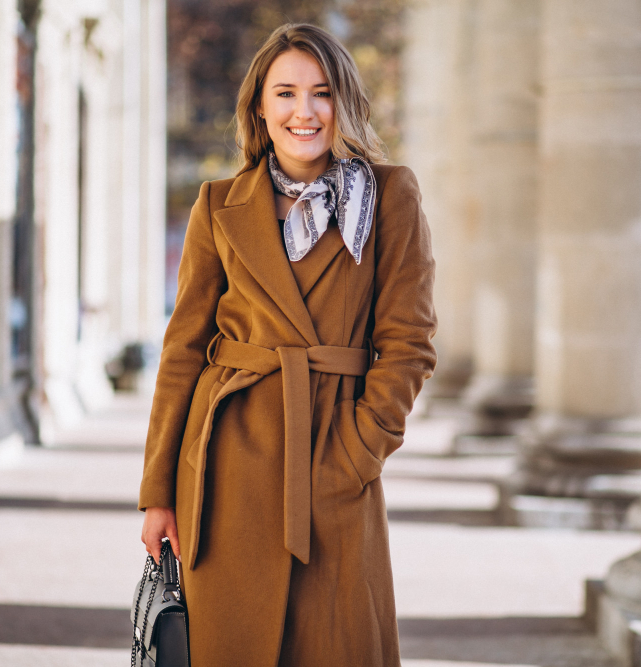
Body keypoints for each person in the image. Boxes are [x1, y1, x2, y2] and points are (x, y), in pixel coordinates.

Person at [138, 23, 436, 666]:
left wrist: (355, 454)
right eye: (286, 93)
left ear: (344, 103)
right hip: (226, 473)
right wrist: (159, 492)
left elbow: (409, 343)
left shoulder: (390, 199)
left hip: (333, 460)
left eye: (322, 93)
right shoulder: (218, 206)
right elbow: (183, 351)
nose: (305, 111)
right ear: (260, 108)